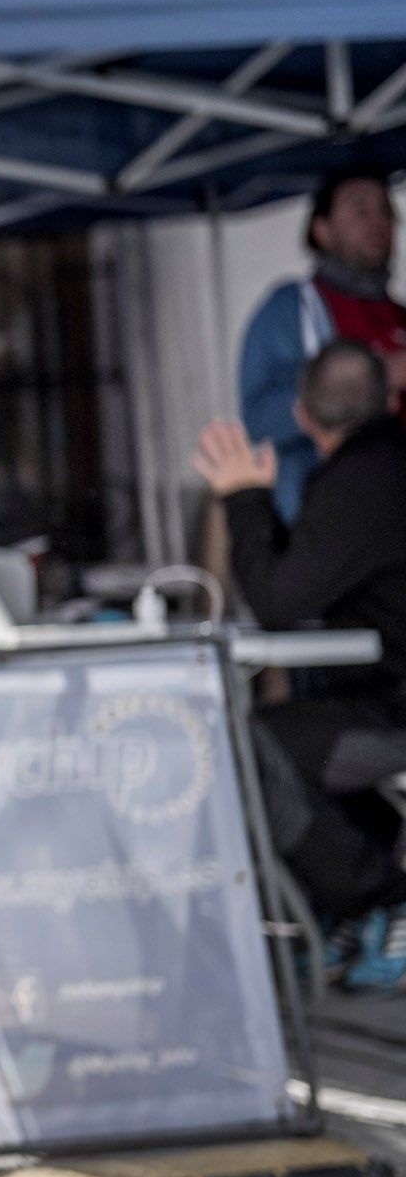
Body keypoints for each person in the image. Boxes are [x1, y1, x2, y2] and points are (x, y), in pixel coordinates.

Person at [195, 338, 406, 991]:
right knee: (295, 741)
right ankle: (361, 906)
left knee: (251, 751)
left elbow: (279, 600)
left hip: (392, 709)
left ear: (303, 415)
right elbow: (308, 580)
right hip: (380, 698)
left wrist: (243, 499)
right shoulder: (378, 470)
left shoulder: (363, 480)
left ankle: (380, 898)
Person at [238, 164, 406, 520]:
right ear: (322, 230)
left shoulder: (398, 315)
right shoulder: (292, 309)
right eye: (360, 209)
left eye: (387, 211)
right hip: (327, 527)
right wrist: (370, 381)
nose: (378, 222)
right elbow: (259, 420)